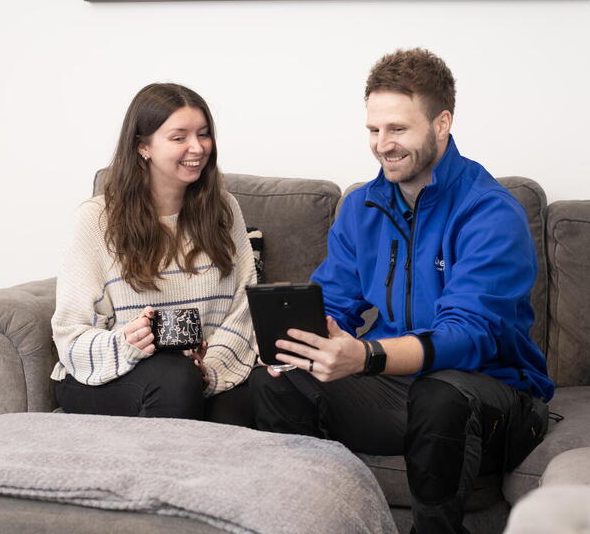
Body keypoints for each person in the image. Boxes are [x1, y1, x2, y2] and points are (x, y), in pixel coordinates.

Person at [249, 48, 554, 534]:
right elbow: (334, 303)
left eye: (397, 129)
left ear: (441, 123)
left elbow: (467, 336)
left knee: (441, 395)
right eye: (373, 130)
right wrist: (306, 344)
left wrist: (365, 356)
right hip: (400, 392)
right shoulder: (362, 208)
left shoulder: (490, 212)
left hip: (496, 400)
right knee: (278, 381)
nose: (382, 144)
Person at [51, 82, 257, 421]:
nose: (197, 147)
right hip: (109, 373)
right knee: (175, 378)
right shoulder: (96, 219)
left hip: (200, 370)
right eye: (179, 138)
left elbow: (244, 307)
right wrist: (128, 342)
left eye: (203, 134)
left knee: (244, 399)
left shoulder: (224, 210)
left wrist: (211, 369)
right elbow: (71, 333)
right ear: (143, 146)